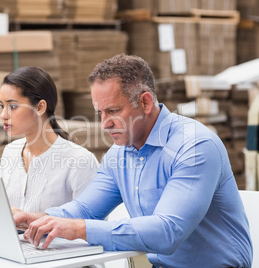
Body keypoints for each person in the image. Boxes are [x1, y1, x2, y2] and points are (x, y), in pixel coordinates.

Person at [13, 54, 253, 267]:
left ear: (145, 103)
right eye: (100, 113)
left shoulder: (195, 146)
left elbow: (167, 232)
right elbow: (85, 209)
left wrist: (79, 229)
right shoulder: (119, 154)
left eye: (114, 111)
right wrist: (40, 219)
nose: (104, 123)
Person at [0, 66, 99, 213]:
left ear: (40, 107)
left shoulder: (80, 160)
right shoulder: (10, 151)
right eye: (2, 106)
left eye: (13, 106)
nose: (3, 115)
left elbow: (91, 222)